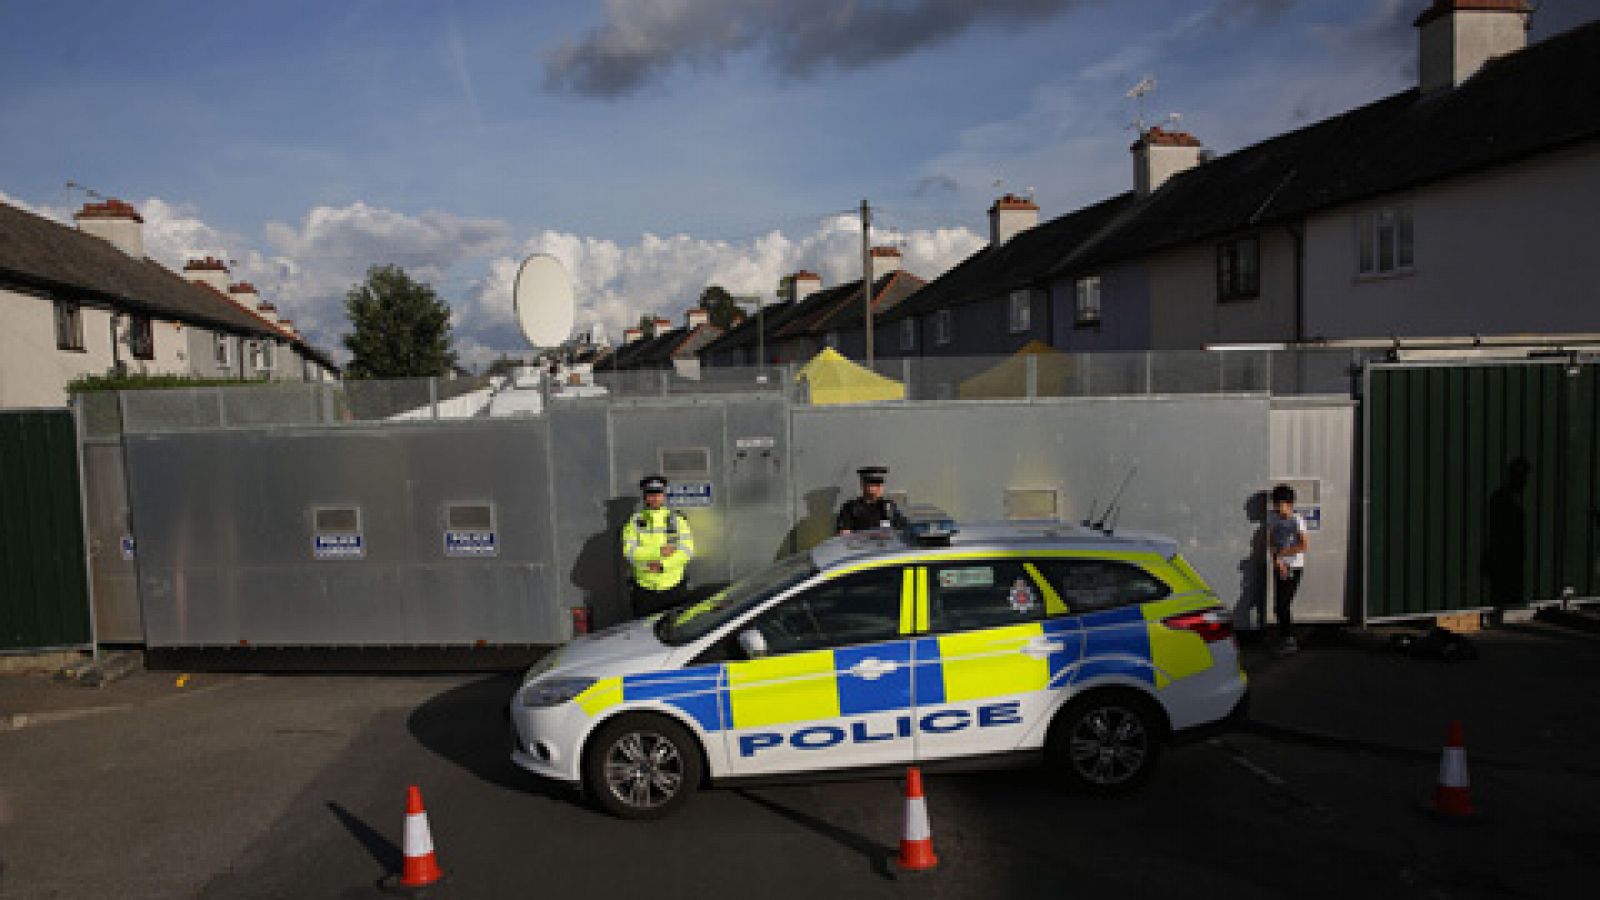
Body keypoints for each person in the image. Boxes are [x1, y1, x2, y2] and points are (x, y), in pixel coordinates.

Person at [622, 475, 695, 617]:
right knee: (644, 632)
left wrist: (663, 566)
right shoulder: (634, 522)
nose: (655, 498)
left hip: (674, 589)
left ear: (663, 495)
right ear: (645, 496)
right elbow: (629, 552)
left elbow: (687, 551)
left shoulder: (677, 520)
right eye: (651, 494)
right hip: (645, 590)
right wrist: (659, 551)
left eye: (658, 494)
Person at [1267, 483, 1309, 654]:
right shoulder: (1272, 517)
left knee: (1283, 605)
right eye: (1275, 504)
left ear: (1290, 504)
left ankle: (1290, 641)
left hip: (1294, 566)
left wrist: (1283, 554)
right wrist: (1276, 559)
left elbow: (1304, 545)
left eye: (1281, 504)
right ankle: (1285, 638)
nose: (1278, 507)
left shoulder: (1297, 520)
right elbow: (1271, 541)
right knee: (1278, 605)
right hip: (1280, 564)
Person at [836, 465, 907, 535]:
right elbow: (845, 535)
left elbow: (903, 528)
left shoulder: (888, 506)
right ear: (863, 484)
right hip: (861, 545)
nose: (879, 487)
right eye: (875, 483)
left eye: (881, 483)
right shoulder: (850, 508)